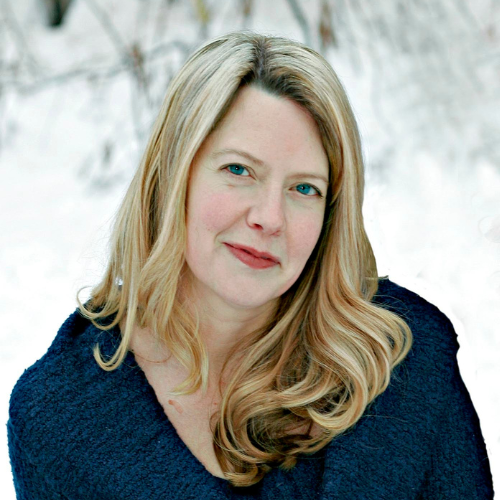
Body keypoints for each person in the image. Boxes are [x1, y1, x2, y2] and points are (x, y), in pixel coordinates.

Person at [8, 31, 493, 499]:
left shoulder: (403, 364)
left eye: (305, 188)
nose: (269, 218)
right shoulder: (60, 419)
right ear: (174, 177)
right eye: (239, 170)